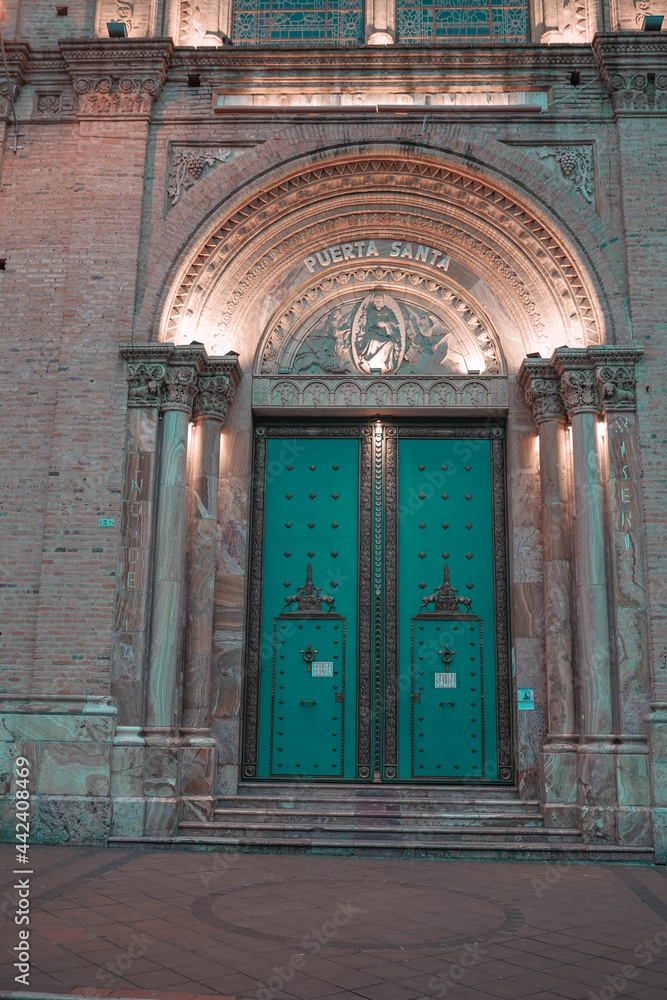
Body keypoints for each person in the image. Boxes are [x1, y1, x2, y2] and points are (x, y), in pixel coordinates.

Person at [357, 291, 402, 371]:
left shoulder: (387, 312)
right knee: (373, 341)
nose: (378, 303)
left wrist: (385, 324)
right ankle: (370, 362)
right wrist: (364, 315)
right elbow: (367, 325)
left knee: (390, 343)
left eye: (380, 301)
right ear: (374, 302)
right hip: (373, 332)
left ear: (383, 302)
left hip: (385, 334)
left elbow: (395, 324)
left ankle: (384, 365)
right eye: (376, 301)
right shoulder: (371, 312)